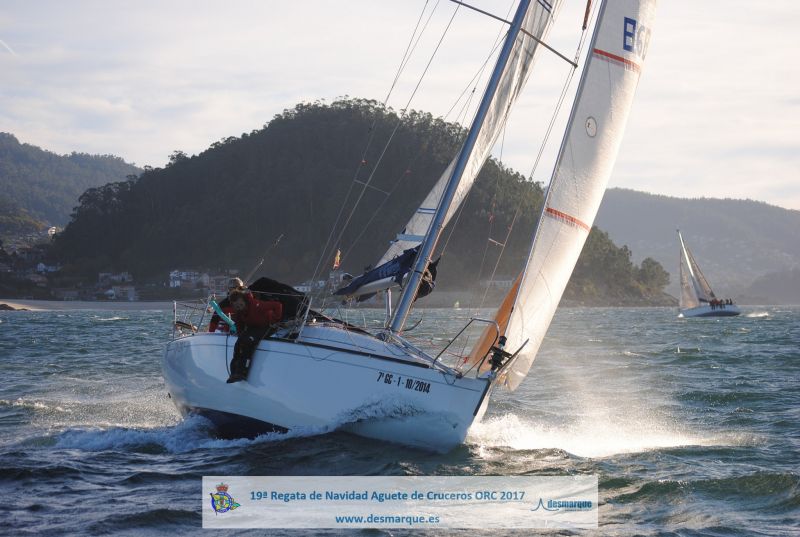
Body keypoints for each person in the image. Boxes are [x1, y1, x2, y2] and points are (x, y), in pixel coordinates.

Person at [226, 289, 283, 383]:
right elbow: (239, 324)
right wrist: (240, 335)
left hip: (267, 326)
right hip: (253, 327)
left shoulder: (256, 305)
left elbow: (277, 305)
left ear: (244, 301)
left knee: (248, 342)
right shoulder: (239, 311)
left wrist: (275, 319)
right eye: (237, 306)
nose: (240, 307)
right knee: (238, 344)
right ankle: (234, 373)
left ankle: (242, 372)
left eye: (241, 305)